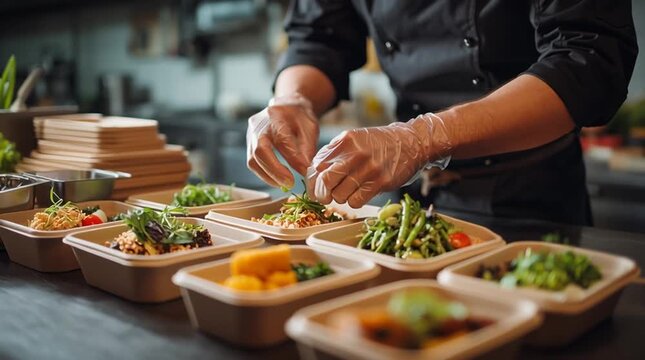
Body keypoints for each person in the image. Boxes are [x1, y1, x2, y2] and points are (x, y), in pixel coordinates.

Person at [246, 0, 638, 225]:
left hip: (529, 198)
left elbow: (586, 59)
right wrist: (292, 98)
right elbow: (319, 36)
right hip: (412, 199)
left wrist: (426, 137)